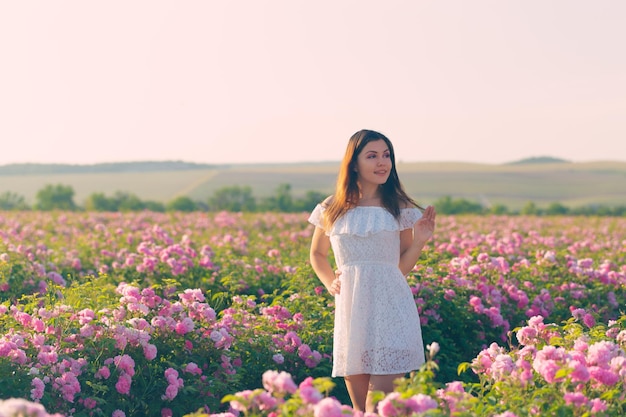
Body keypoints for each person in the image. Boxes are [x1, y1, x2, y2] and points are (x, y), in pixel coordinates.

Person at [308, 129, 436, 412]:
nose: (383, 163)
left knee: (379, 408)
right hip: (352, 314)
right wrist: (330, 282)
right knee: (362, 411)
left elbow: (399, 267)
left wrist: (420, 242)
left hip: (391, 310)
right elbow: (317, 254)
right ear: (353, 163)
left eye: (387, 155)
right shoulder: (332, 207)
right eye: (373, 156)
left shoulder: (398, 207)